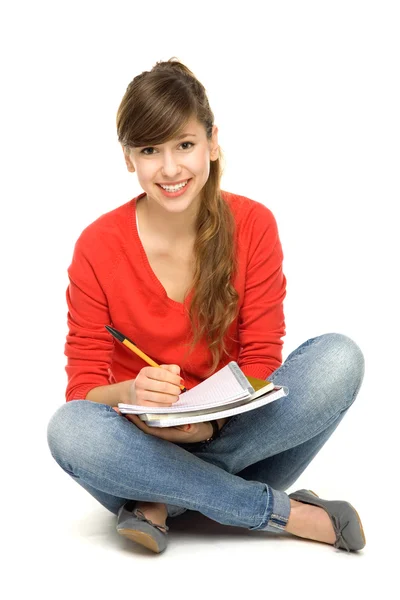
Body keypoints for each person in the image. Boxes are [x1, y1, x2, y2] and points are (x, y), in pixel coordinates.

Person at [47, 57, 366, 554]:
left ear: (213, 143)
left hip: (234, 440)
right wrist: (131, 391)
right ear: (129, 158)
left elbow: (261, 361)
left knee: (339, 357)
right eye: (150, 150)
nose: (170, 168)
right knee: (70, 430)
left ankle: (157, 502)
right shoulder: (96, 245)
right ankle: (278, 513)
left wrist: (209, 427)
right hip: (137, 447)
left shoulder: (254, 224)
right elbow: (82, 387)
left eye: (186, 145)